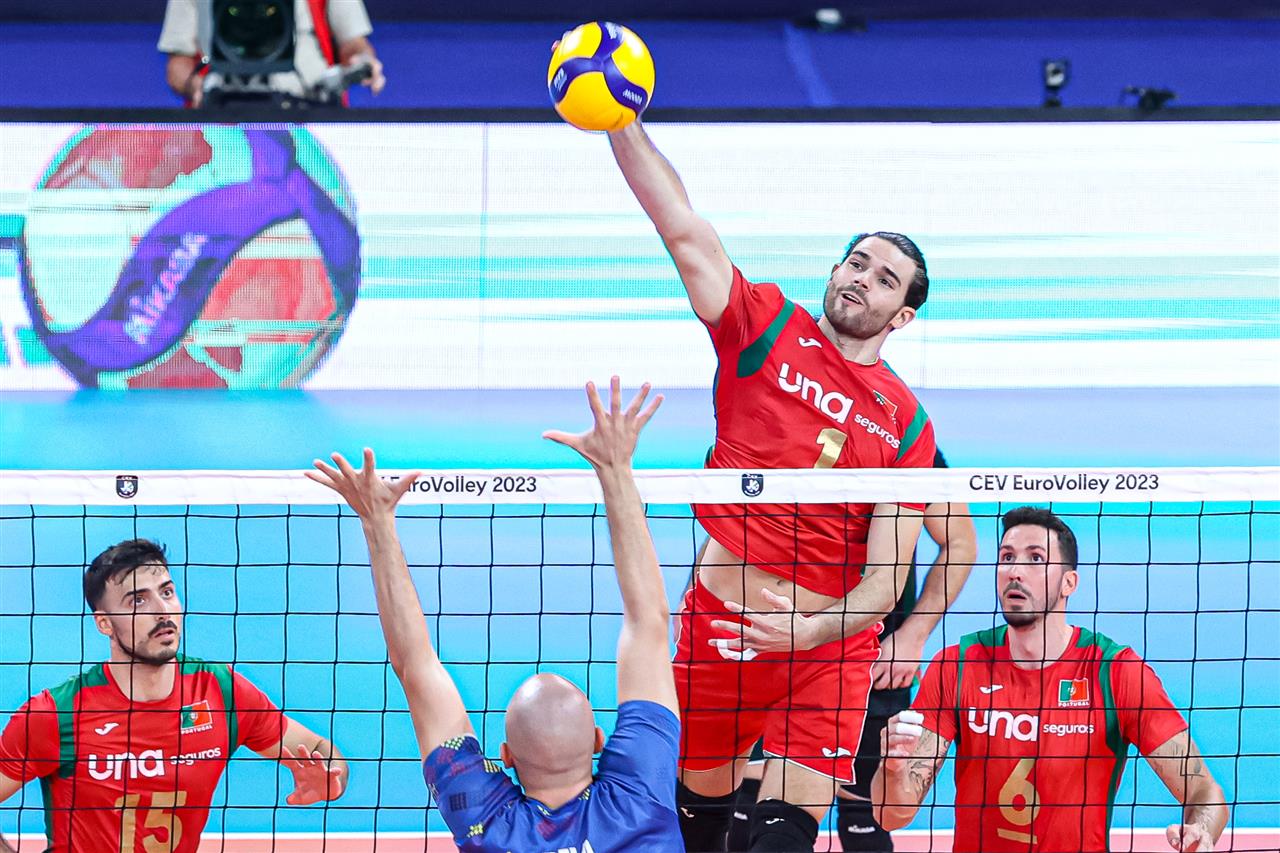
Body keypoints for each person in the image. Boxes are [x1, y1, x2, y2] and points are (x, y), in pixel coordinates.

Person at [606, 120, 938, 851]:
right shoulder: (763, 326)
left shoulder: (907, 424)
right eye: (857, 262)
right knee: (696, 828)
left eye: (885, 279)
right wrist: (620, 125)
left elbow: (887, 580)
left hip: (827, 648)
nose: (862, 278)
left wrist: (812, 631)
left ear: (903, 315)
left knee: (782, 839)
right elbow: (683, 230)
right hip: (722, 631)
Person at [306, 377, 682, 852]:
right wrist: (616, 470)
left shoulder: (486, 821)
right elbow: (649, 622)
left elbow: (416, 667)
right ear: (598, 740)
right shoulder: (639, 795)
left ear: (504, 757)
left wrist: (376, 522)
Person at [871, 506, 1229, 853]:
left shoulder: (1116, 673)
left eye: (1035, 559)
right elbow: (891, 815)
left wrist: (1201, 830)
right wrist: (893, 769)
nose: (1015, 571)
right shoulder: (957, 666)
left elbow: (1205, 793)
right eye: (1007, 557)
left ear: (1068, 583)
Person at [0, 539, 347, 853]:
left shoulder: (221, 692)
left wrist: (332, 778)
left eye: (166, 592)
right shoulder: (56, 713)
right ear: (105, 623)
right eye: (138, 600)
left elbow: (322, 750)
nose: (162, 610)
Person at [723, 451, 977, 853]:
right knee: (747, 801)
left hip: (872, 658)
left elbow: (960, 543)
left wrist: (914, 634)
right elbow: (730, 530)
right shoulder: (783, 435)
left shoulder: (910, 448)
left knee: (864, 812)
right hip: (775, 647)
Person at [158, 0, 385, 107]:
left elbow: (353, 43)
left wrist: (362, 60)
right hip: (223, 116)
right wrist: (194, 86)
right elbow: (179, 62)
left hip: (309, 109)